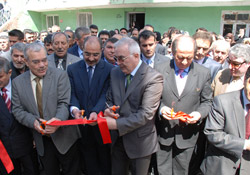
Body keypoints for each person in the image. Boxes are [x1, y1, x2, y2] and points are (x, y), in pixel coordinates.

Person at [12, 42, 81, 175]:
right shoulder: (17, 83)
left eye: (44, 60)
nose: (42, 65)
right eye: (36, 62)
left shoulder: (60, 75)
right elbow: (17, 110)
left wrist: (57, 120)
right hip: (42, 141)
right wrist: (33, 122)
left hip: (65, 138)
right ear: (26, 61)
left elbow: (64, 103)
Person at [104, 37, 163, 175]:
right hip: (118, 140)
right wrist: (108, 109)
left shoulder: (153, 78)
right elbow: (109, 98)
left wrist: (116, 124)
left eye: (121, 58)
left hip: (140, 142)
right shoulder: (115, 73)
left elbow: (146, 114)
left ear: (136, 55)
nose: (118, 63)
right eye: (116, 58)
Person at [155, 35, 212, 175]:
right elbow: (152, 98)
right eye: (180, 57)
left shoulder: (203, 73)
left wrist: (199, 114)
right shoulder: (159, 69)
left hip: (187, 134)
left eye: (189, 57)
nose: (185, 61)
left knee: (183, 171)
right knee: (162, 171)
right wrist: (161, 109)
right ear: (173, 53)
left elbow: (207, 101)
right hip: (164, 133)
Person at [68, 36, 114, 175]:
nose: (92, 58)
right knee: (87, 162)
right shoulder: (72, 69)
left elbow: (106, 93)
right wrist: (75, 109)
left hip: (102, 124)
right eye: (87, 54)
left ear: (101, 51)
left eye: (96, 54)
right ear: (82, 50)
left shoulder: (110, 69)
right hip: (82, 126)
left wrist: (95, 111)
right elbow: (72, 93)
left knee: (105, 161)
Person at [201, 65, 250, 175]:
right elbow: (212, 133)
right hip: (221, 167)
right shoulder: (223, 101)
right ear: (244, 81)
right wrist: (245, 144)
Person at [0, 57, 37, 175]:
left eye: (0, 76)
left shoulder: (22, 86)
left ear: (9, 72)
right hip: (4, 150)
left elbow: (32, 111)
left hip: (26, 145)